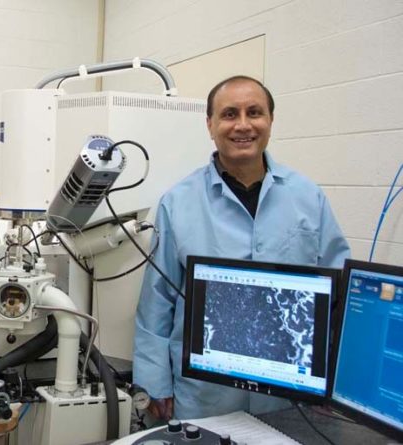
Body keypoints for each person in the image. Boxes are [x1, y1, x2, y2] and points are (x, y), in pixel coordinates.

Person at [133, 75, 350, 421]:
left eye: (255, 113)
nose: (243, 125)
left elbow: (339, 296)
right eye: (230, 114)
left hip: (290, 396)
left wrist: (336, 381)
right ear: (210, 124)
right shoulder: (178, 203)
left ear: (271, 120)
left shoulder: (309, 197)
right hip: (205, 395)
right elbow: (157, 301)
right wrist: (155, 382)